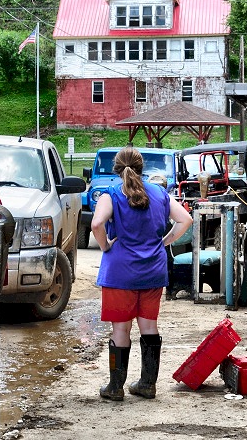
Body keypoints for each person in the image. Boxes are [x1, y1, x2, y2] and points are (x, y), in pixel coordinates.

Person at [91, 146, 193, 401]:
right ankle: (147, 384)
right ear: (141, 167)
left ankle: (115, 387)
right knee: (149, 325)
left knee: (121, 329)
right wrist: (165, 241)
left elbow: (96, 224)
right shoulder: (160, 193)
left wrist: (105, 246)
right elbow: (186, 220)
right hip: (153, 270)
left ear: (117, 168)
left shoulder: (111, 194)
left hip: (120, 272)